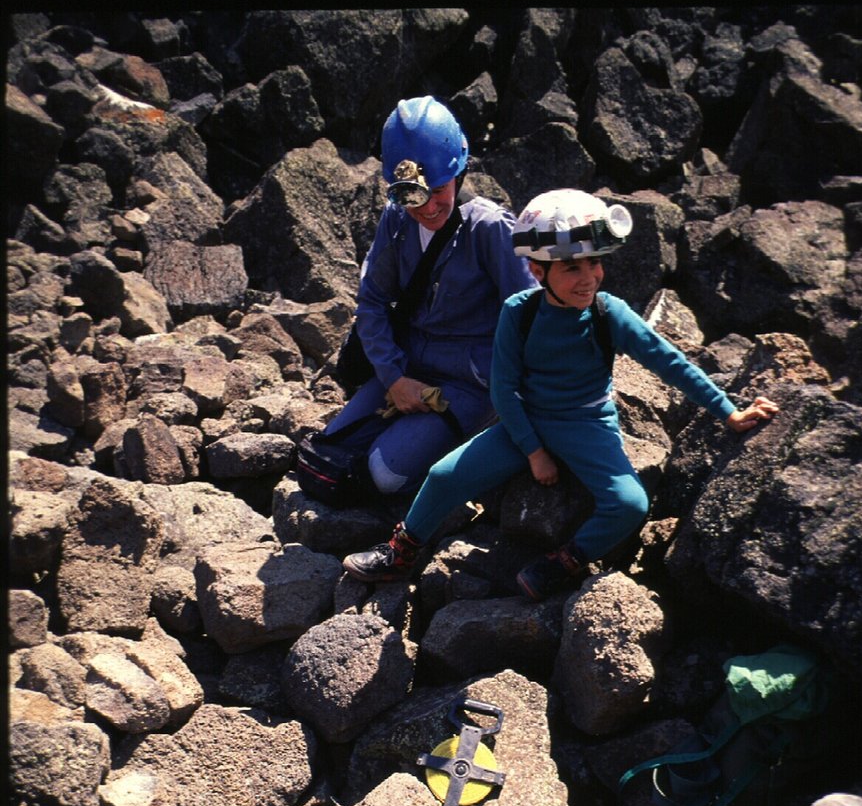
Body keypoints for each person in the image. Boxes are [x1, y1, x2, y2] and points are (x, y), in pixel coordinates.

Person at [342, 188, 779, 599]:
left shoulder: (612, 315)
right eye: (572, 267)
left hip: (587, 424)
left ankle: (566, 560)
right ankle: (401, 551)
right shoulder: (519, 313)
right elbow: (504, 389)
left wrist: (729, 412)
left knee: (630, 503)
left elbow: (672, 364)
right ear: (537, 270)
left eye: (595, 263)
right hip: (525, 422)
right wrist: (533, 451)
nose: (588, 278)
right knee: (442, 475)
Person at [322, 95, 535, 497]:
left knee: (385, 474)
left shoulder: (489, 228)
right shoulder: (396, 219)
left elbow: (530, 312)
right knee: (333, 447)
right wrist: (394, 377)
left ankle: (468, 458)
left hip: (468, 382)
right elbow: (373, 302)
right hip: (408, 368)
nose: (427, 207)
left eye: (438, 190)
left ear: (460, 170)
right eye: (410, 195)